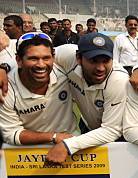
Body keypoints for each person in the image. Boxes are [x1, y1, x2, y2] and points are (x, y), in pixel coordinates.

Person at [41, 33, 130, 163]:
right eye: (93, 61)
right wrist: (4, 68)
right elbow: (37, 56)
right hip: (87, 126)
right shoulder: (67, 54)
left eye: (106, 61)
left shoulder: (118, 80)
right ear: (78, 58)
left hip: (119, 137)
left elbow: (111, 130)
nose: (100, 68)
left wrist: (68, 145)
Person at [0, 33, 77, 145]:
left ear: (53, 58)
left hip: (70, 141)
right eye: (33, 58)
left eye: (46, 58)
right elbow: (12, 134)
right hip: (28, 149)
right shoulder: (6, 88)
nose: (41, 65)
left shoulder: (63, 70)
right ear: (19, 61)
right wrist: (54, 137)